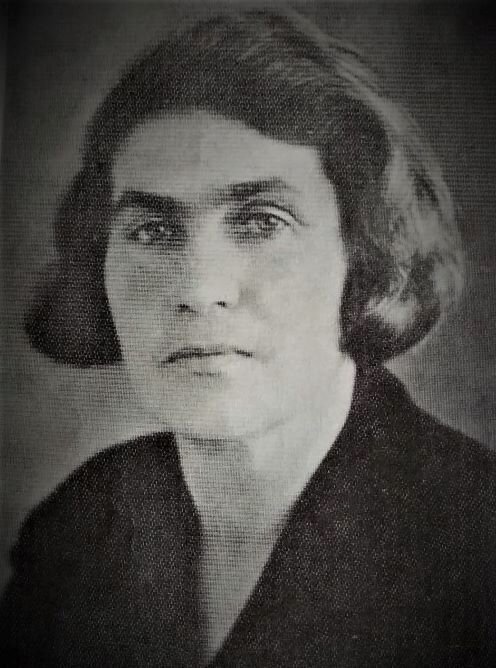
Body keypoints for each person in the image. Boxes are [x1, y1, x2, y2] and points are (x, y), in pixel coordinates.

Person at [1, 8, 495, 667]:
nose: (199, 288)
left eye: (261, 222)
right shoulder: (77, 529)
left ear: (363, 259)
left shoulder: (477, 537)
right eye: (152, 231)